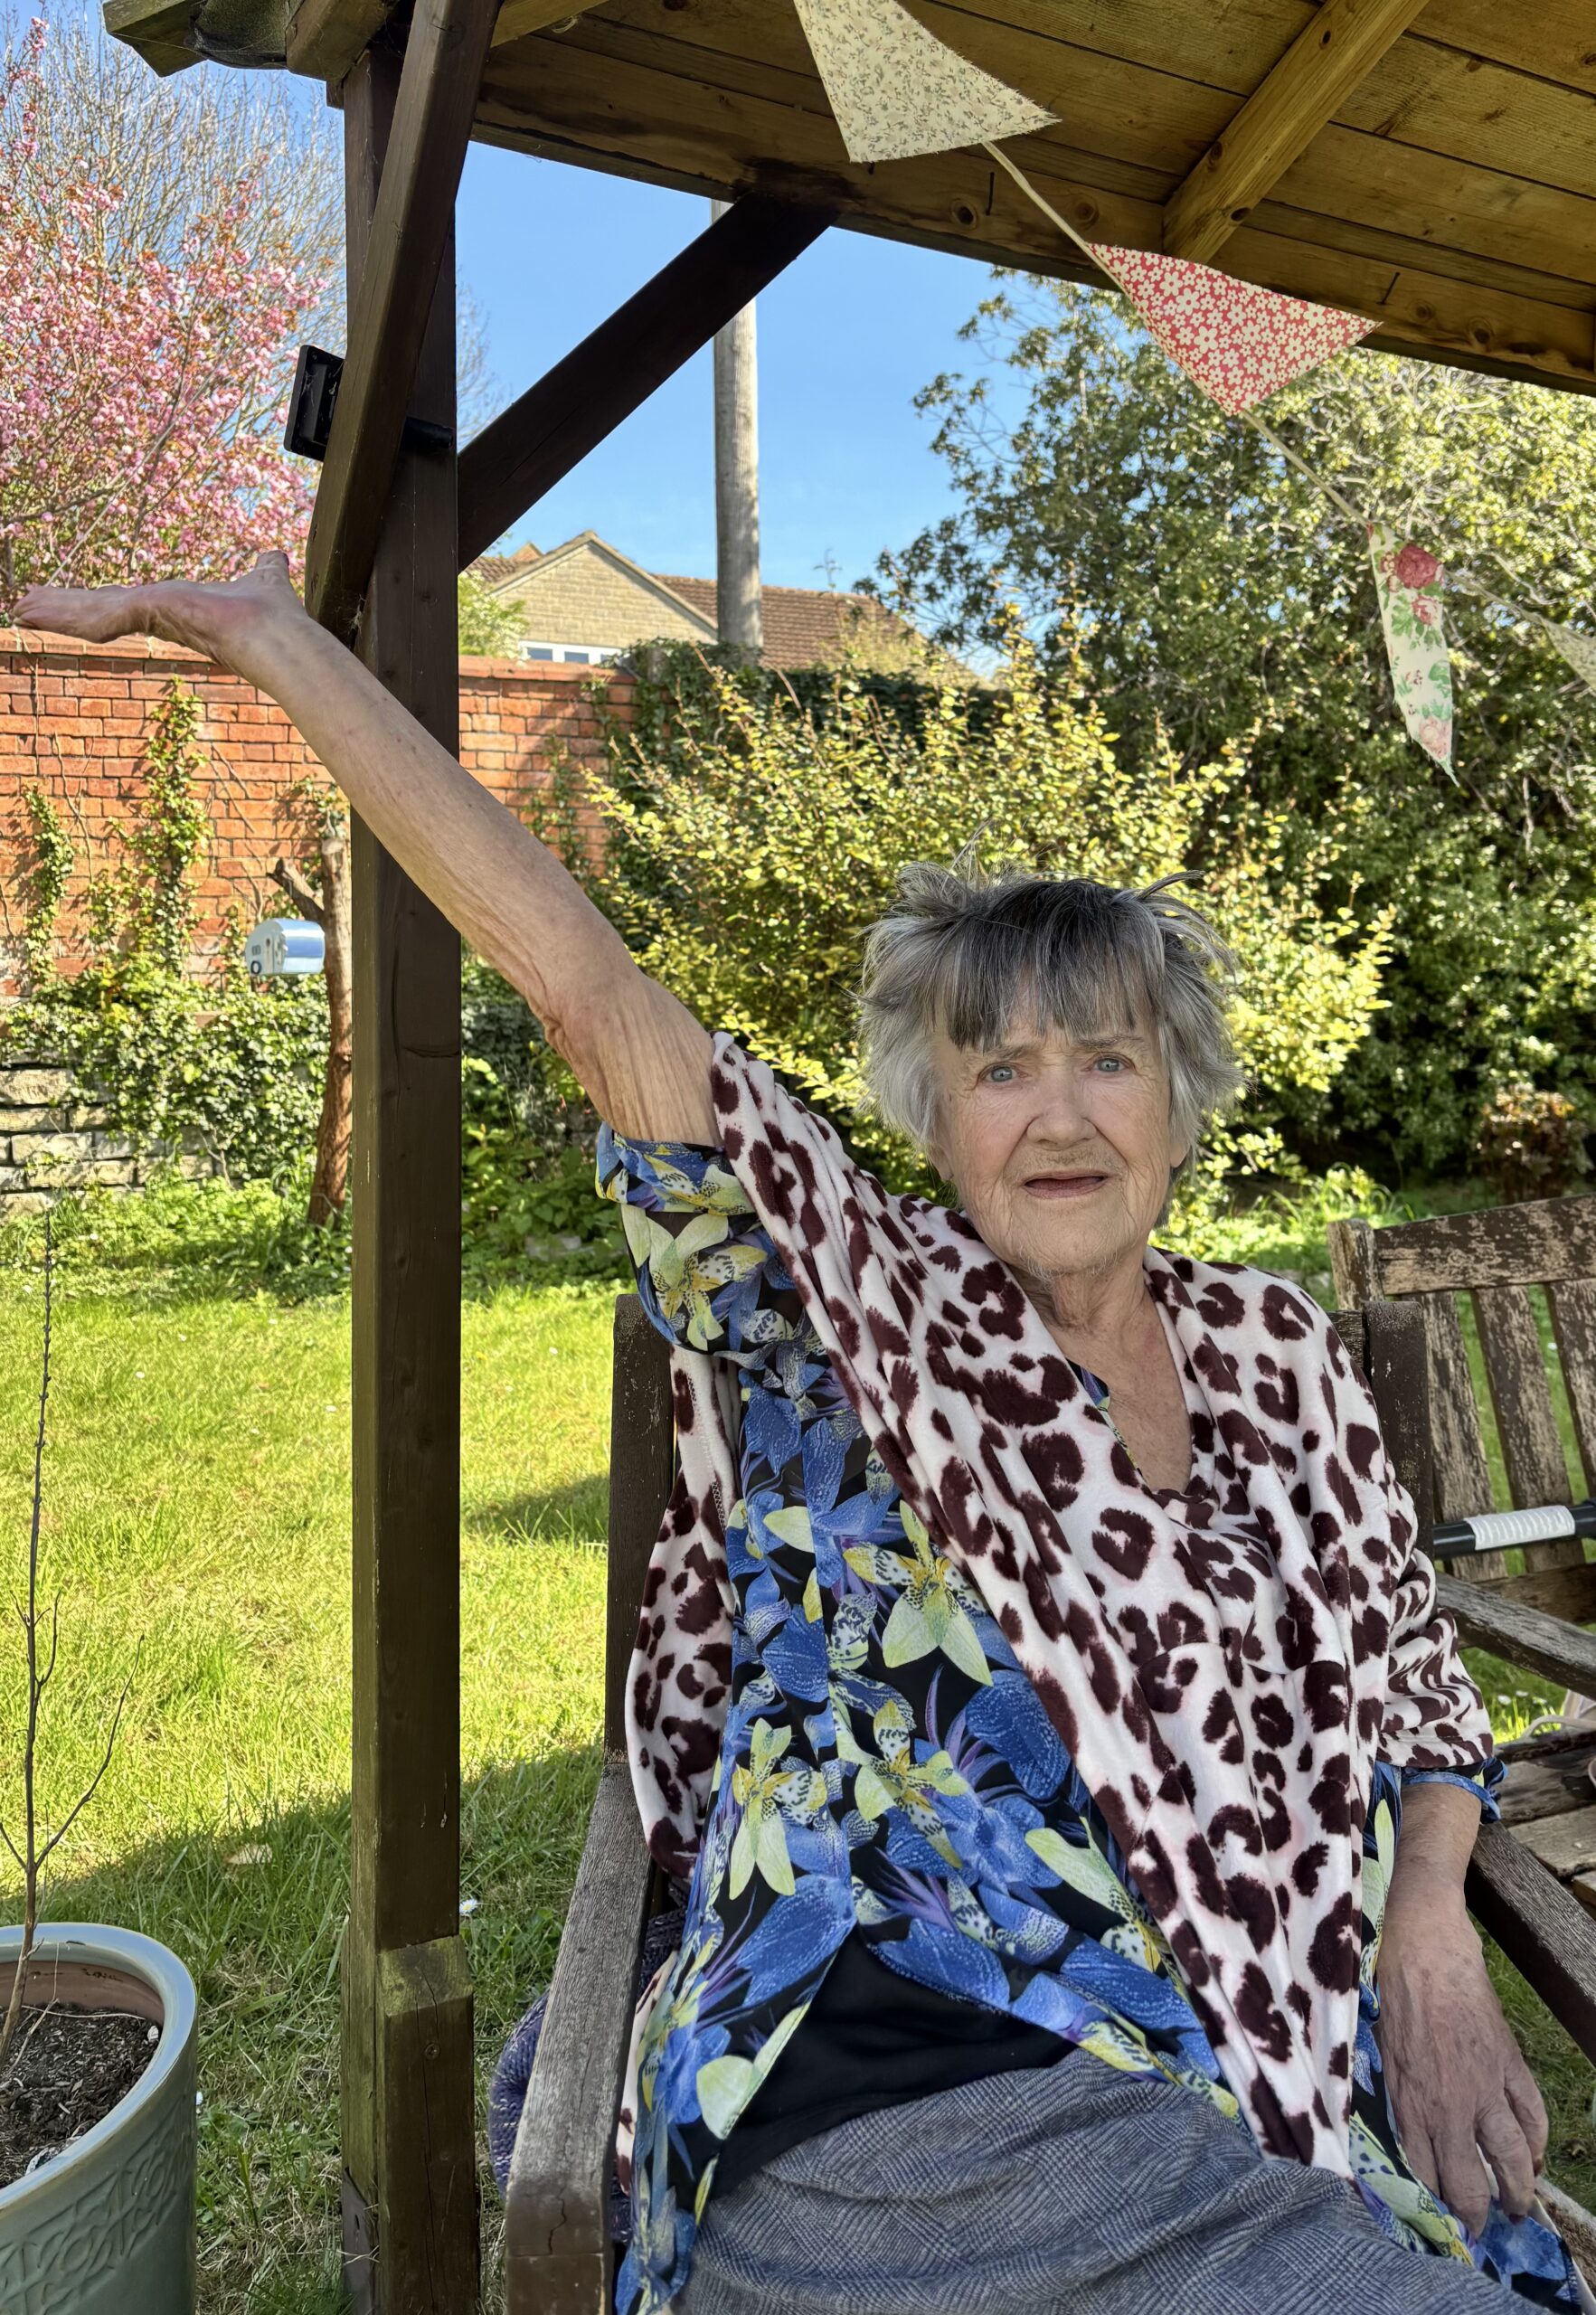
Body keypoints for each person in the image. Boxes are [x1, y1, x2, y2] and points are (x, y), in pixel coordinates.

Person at [15, 555, 1584, 2315]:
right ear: (933, 1116)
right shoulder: (845, 1304)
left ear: (1181, 1097)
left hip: (1235, 2083)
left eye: (1108, 1058)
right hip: (904, 2073)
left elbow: (1417, 1692)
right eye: (1000, 1066)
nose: (1058, 1109)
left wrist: (1426, 1930)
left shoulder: (1281, 1360)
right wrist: (272, 638)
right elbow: (589, 991)